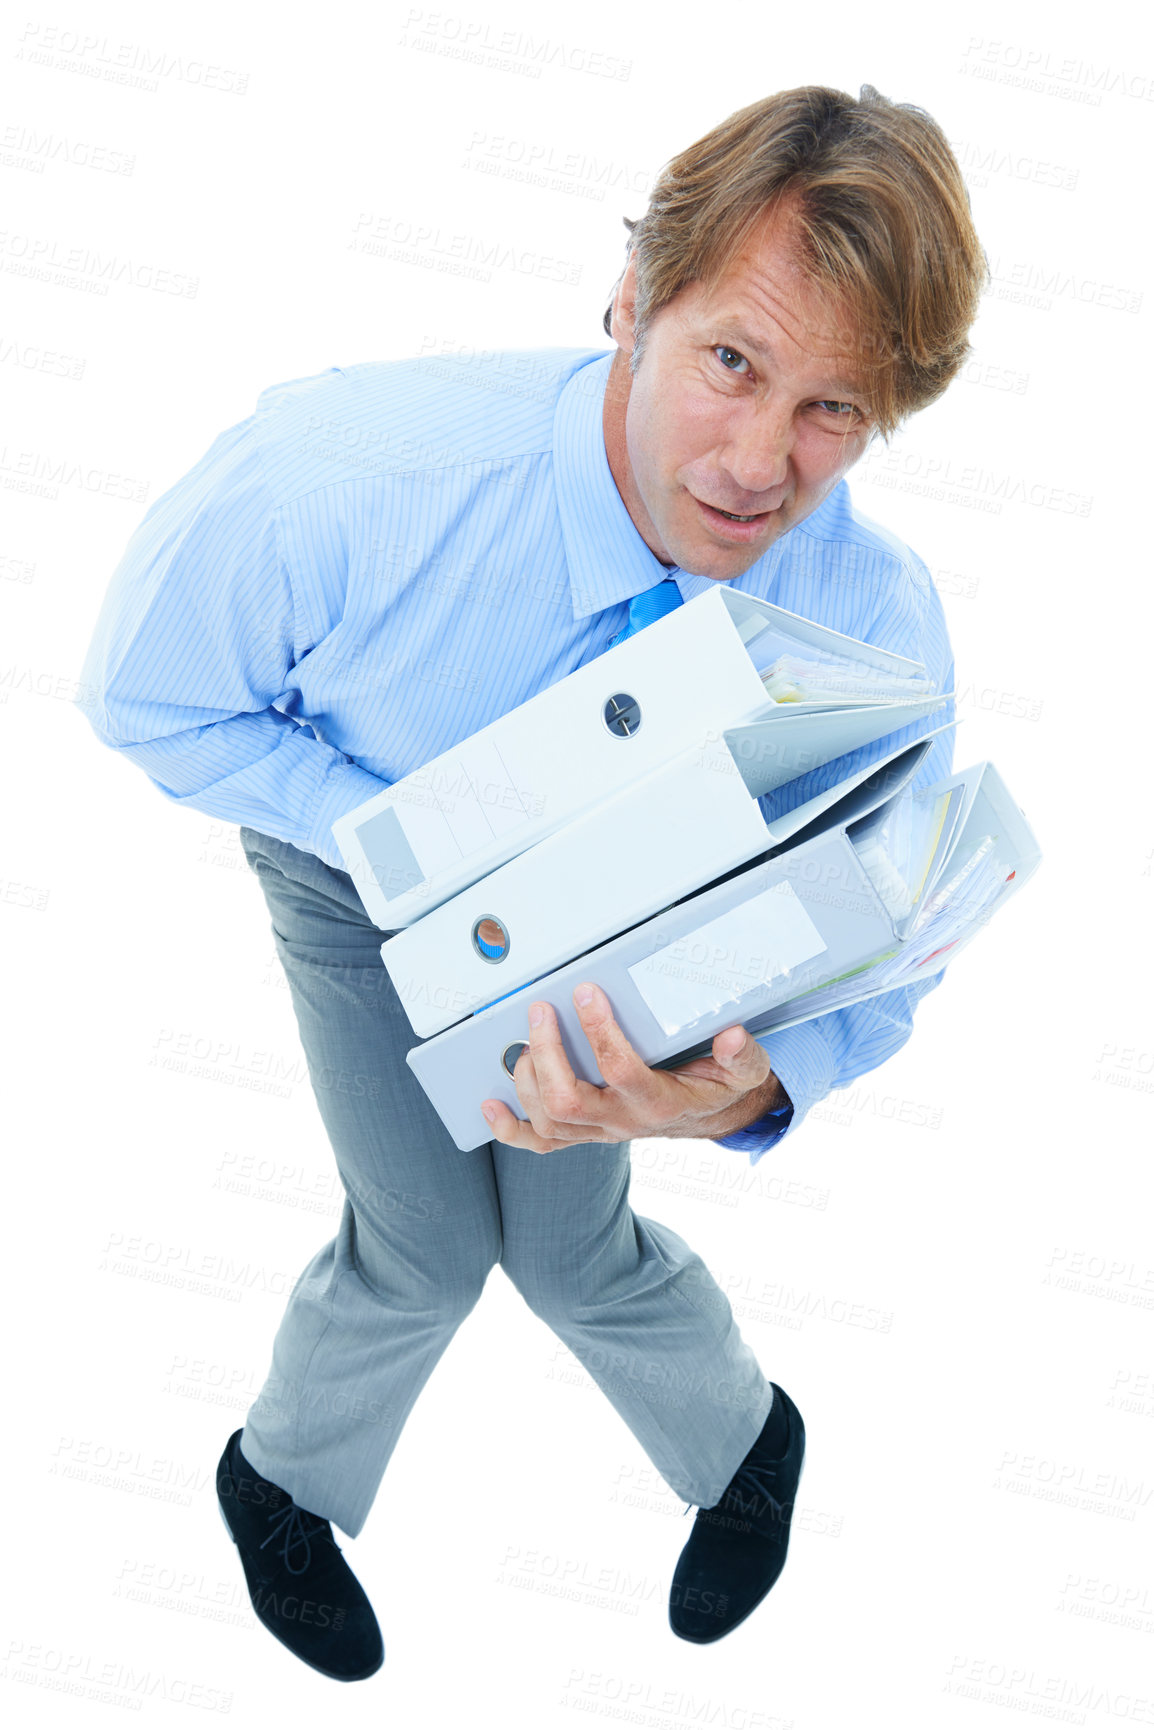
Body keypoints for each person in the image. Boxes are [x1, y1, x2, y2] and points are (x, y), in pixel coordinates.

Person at [76, 84, 986, 1679]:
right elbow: (145, 693)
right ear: (633, 298)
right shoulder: (337, 483)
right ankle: (275, 1476)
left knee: (570, 1243)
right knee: (426, 1243)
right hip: (353, 867)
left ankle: (744, 1442)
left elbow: (894, 908)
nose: (763, 462)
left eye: (836, 411)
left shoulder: (871, 619)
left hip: (637, 918)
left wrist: (751, 1081)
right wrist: (398, 835)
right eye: (730, 362)